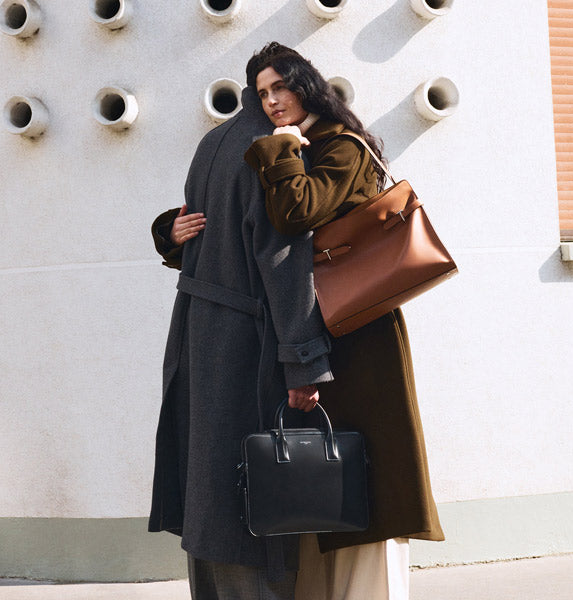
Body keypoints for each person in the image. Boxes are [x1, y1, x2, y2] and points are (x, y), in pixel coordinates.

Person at [242, 43, 445, 600]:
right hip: (324, 328)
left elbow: (295, 213)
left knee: (367, 468)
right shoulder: (306, 144)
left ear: (305, 86)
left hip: (361, 329)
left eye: (280, 87)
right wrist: (174, 233)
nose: (272, 101)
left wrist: (280, 148)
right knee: (324, 469)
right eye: (262, 94)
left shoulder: (340, 146)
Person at [148, 82, 335, 598]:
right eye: (272, 90)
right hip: (245, 343)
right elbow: (284, 261)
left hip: (197, 329)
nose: (278, 101)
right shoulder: (269, 149)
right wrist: (303, 362)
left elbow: (203, 228)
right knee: (254, 484)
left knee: (208, 480)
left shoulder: (213, 141)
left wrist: (167, 235)